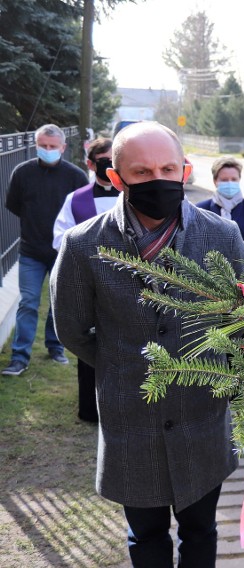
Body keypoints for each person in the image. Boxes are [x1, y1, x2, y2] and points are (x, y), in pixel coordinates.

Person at [49, 121, 244, 567]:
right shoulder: (84, 245)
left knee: (201, 531)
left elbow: (241, 317)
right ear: (116, 178)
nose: (156, 179)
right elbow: (72, 329)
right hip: (131, 419)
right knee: (146, 536)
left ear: (185, 170)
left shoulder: (222, 235)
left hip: (202, 414)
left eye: (167, 167)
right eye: (140, 172)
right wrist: (124, 365)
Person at [2, 124, 89, 376]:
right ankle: (19, 357)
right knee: (28, 302)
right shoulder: (22, 173)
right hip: (30, 250)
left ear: (63, 147)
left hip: (62, 251)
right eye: (43, 146)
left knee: (58, 302)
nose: (48, 150)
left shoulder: (75, 177)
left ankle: (55, 347)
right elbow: (15, 205)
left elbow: (81, 213)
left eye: (53, 147)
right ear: (36, 145)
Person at [51, 137, 119, 422]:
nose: (108, 166)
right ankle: (90, 408)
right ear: (90, 164)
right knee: (90, 340)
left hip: (129, 281)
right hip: (90, 281)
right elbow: (59, 237)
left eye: (113, 160)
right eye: (103, 161)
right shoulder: (76, 200)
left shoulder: (137, 194)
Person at [195, 156, 244, 270]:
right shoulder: (201, 209)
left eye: (233, 179)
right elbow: (198, 245)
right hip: (210, 274)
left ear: (239, 180)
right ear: (215, 181)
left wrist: (235, 262)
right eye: (224, 180)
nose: (230, 183)